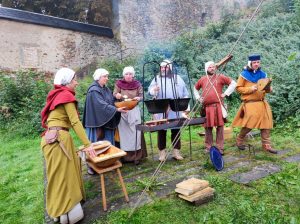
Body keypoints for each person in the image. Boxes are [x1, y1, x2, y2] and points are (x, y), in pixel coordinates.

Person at [40, 68, 96, 224]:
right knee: (65, 175)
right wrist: (87, 144)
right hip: (60, 139)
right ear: (67, 82)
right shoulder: (65, 95)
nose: (77, 83)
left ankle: (60, 212)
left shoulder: (56, 95)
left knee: (57, 176)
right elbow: (75, 121)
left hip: (49, 139)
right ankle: (68, 211)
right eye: (74, 80)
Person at [83, 68, 127, 173]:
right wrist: (116, 109)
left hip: (106, 121)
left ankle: (108, 163)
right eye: (105, 76)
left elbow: (111, 101)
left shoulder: (105, 89)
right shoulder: (94, 90)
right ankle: (93, 167)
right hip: (96, 123)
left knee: (107, 144)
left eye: (107, 76)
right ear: (99, 77)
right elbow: (100, 105)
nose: (107, 79)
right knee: (96, 145)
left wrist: (119, 100)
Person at [232, 54, 277, 154]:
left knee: (266, 124)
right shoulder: (244, 74)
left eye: (258, 62)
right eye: (254, 62)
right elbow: (238, 88)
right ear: (250, 63)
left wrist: (269, 89)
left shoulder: (263, 74)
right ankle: (239, 139)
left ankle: (266, 145)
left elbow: (266, 89)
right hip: (250, 103)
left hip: (262, 103)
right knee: (249, 124)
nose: (256, 64)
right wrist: (250, 89)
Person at [148, 59, 189, 161]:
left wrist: (185, 107)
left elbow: (185, 93)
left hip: (175, 108)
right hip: (162, 109)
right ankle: (162, 154)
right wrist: (154, 90)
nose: (163, 69)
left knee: (176, 130)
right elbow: (150, 91)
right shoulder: (157, 79)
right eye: (161, 67)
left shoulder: (177, 78)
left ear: (170, 68)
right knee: (161, 131)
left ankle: (176, 152)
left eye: (165, 67)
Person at [194, 61, 236, 155]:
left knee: (220, 127)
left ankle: (219, 147)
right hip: (207, 107)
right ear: (206, 69)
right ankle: (208, 147)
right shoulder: (203, 79)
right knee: (208, 128)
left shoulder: (220, 77)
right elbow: (195, 88)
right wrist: (198, 98)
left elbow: (233, 83)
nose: (212, 68)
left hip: (218, 106)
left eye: (213, 67)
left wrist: (225, 93)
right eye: (210, 67)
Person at [113, 66, 147, 163]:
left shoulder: (137, 84)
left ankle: (136, 157)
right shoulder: (119, 84)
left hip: (134, 109)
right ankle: (124, 157)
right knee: (124, 134)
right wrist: (117, 95)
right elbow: (114, 93)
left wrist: (139, 98)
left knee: (135, 133)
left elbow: (142, 95)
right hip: (123, 110)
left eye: (130, 74)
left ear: (133, 75)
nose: (128, 76)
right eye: (127, 74)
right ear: (124, 75)